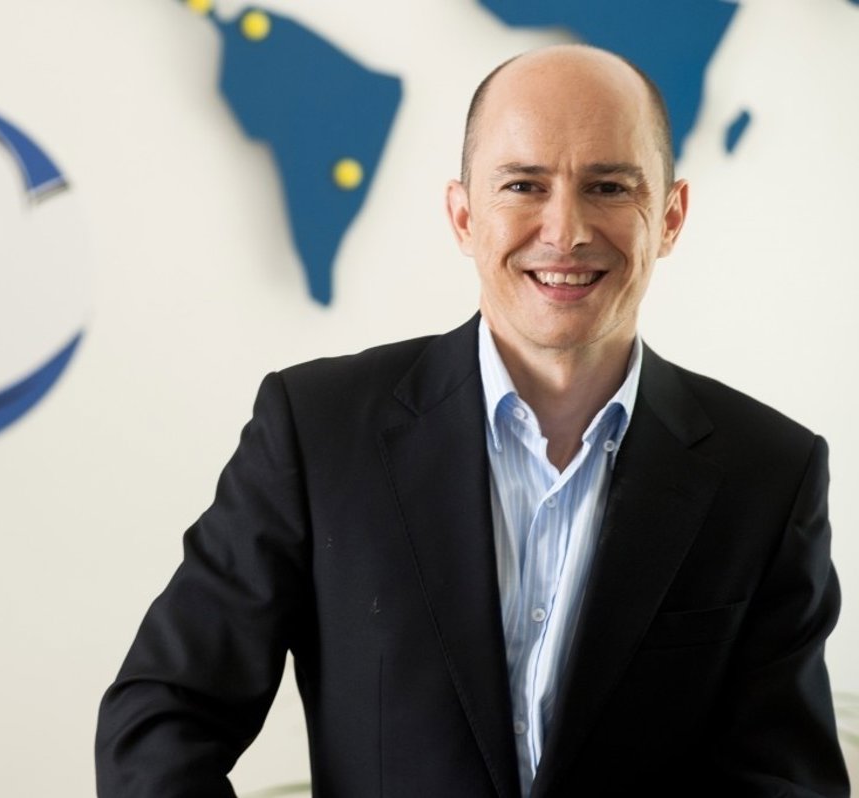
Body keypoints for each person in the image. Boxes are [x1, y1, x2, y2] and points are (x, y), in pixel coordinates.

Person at [95, 45, 849, 797]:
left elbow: (787, 782)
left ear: (671, 217)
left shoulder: (768, 475)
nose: (566, 230)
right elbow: (160, 720)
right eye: (523, 185)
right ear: (463, 216)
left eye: (609, 187)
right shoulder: (318, 431)